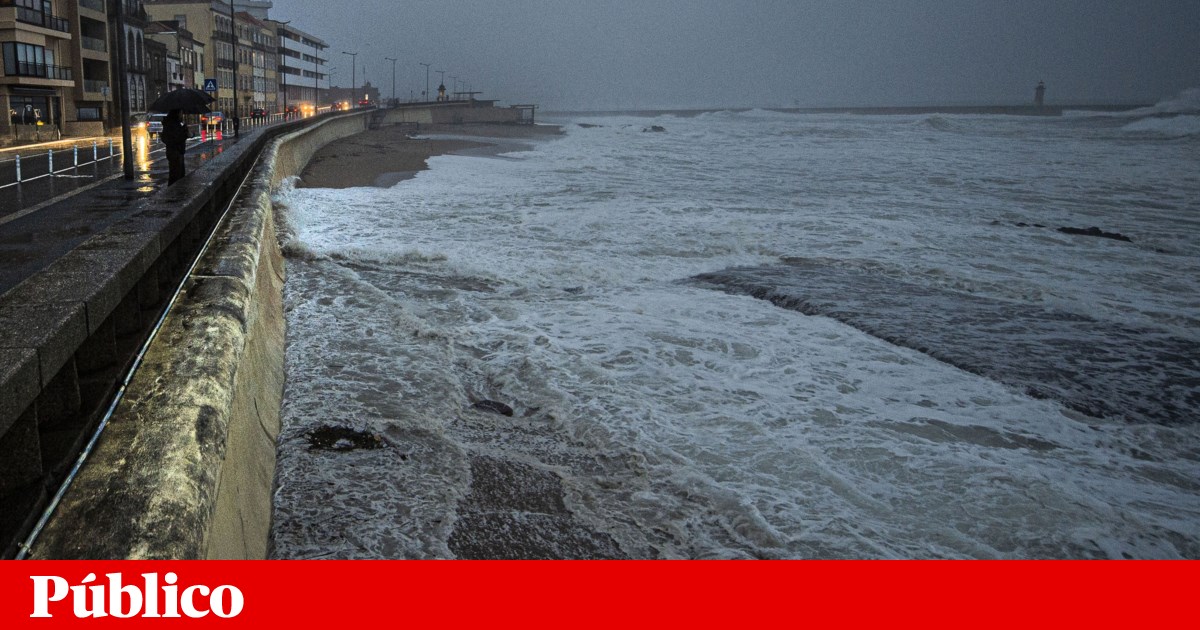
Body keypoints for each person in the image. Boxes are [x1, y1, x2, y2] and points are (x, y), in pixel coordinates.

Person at [161, 109, 188, 185]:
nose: (182, 115)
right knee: (176, 176)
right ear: (177, 114)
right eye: (181, 113)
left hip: (176, 152)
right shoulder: (173, 125)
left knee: (176, 174)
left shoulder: (172, 124)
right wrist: (185, 133)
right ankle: (174, 193)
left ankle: (175, 191)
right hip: (175, 152)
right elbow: (176, 138)